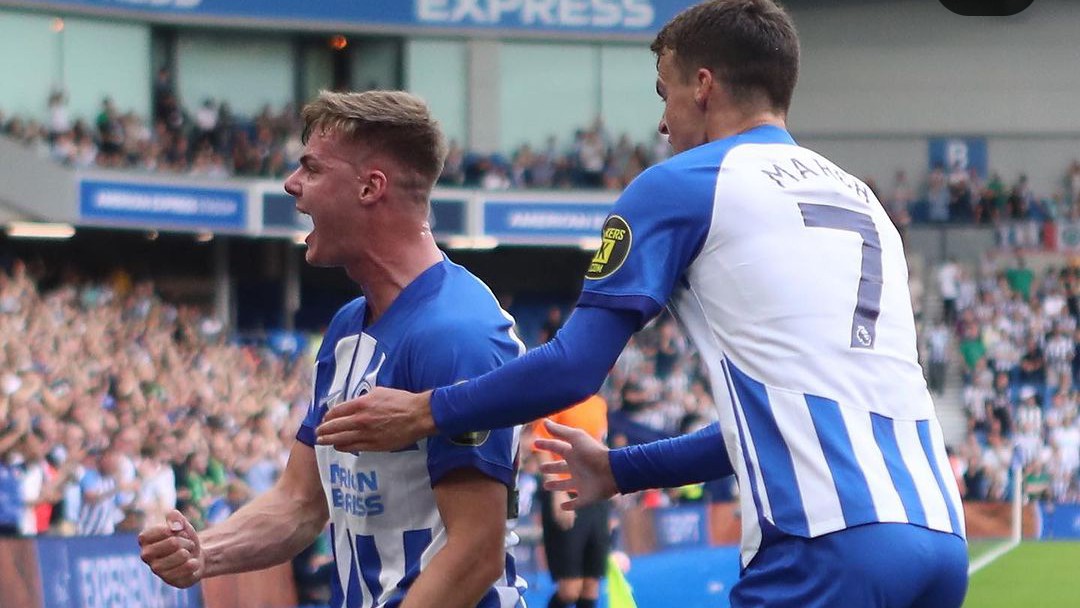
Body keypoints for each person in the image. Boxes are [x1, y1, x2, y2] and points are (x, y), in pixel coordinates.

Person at [315, 2, 970, 606]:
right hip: (940, 536)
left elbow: (575, 366)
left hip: (824, 539)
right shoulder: (862, 198)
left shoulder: (682, 184)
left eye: (665, 93)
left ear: (703, 86)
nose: (662, 122)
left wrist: (427, 411)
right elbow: (779, 421)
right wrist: (619, 471)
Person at [140, 90, 526, 608]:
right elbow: (300, 503)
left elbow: (477, 551)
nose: (292, 185)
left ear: (371, 187)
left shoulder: (457, 335)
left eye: (312, 169)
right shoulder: (347, 328)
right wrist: (203, 552)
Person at [532, 395, 609, 608]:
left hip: (596, 496)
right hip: (566, 493)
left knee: (591, 583)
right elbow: (540, 446)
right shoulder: (560, 398)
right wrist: (556, 491)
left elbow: (599, 445)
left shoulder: (599, 403)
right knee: (569, 589)